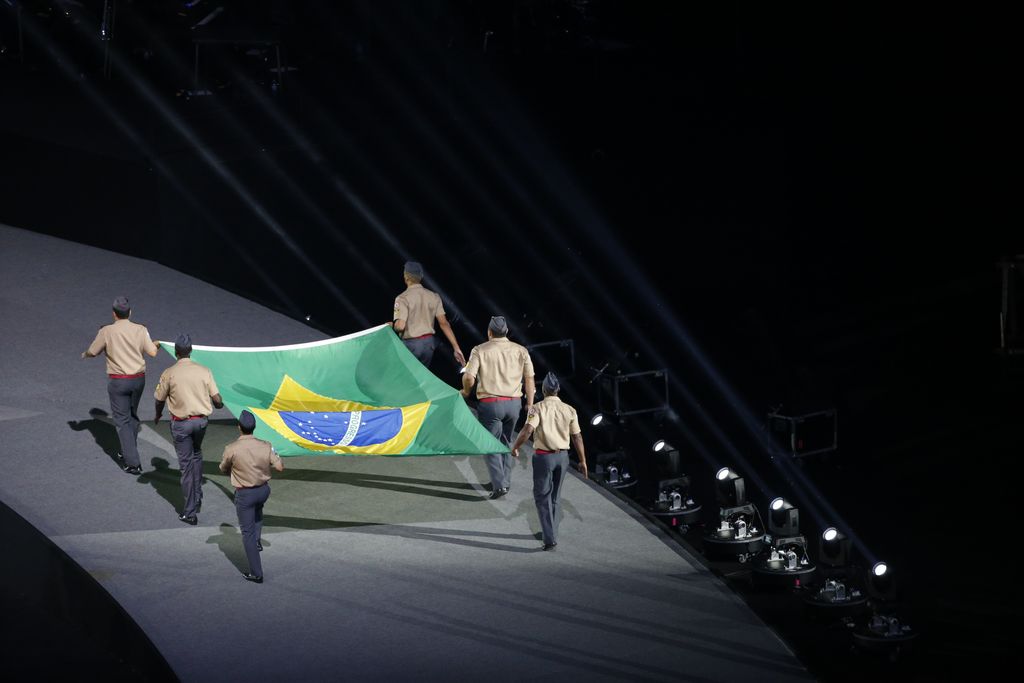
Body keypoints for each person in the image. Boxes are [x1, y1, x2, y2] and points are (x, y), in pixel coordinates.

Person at [81, 295, 160, 475]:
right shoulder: (141, 329)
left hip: (118, 382)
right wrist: (156, 345)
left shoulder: (107, 331)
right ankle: (127, 449)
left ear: (113, 314)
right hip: (138, 380)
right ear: (130, 312)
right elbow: (153, 352)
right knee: (132, 415)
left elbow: (93, 351)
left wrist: (85, 354)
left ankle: (133, 463)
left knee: (122, 421)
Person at [511, 372, 588, 550]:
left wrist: (515, 447)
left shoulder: (537, 408)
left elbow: (527, 430)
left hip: (543, 457)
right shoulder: (570, 410)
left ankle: (549, 538)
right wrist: (583, 460)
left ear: (543, 390)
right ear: (558, 390)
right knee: (555, 496)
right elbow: (577, 437)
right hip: (563, 458)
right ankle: (551, 531)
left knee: (541, 496)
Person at [462, 315, 535, 499]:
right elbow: (530, 379)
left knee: (489, 444)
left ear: (489, 332)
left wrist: (466, 391)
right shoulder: (521, 351)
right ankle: (504, 481)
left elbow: (469, 377)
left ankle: (499, 484)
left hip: (490, 404)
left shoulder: (479, 350)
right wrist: (530, 404)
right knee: (505, 442)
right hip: (514, 405)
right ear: (507, 332)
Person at [153, 334, 223, 525]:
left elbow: (159, 398)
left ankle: (190, 512)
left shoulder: (169, 372)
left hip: (181, 424)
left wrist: (158, 415)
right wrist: (219, 404)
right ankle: (198, 495)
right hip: (201, 423)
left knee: (186, 467)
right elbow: (217, 400)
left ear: (176, 353)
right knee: (197, 453)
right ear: (191, 351)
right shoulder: (204, 371)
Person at [219, 409, 284, 584]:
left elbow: (223, 468)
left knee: (246, 532)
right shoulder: (266, 445)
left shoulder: (231, 449)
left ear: (239, 427)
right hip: (263, 490)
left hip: (245, 493)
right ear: (254, 427)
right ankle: (257, 542)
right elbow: (279, 467)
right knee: (258, 512)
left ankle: (256, 572)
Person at [392, 261, 465, 369]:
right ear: (421, 277)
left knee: (404, 377)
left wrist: (392, 325)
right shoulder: (434, 296)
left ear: (406, 276)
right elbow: (444, 324)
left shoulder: (402, 298)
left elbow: (400, 326)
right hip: (428, 346)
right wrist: (456, 348)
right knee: (421, 378)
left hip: (411, 346)